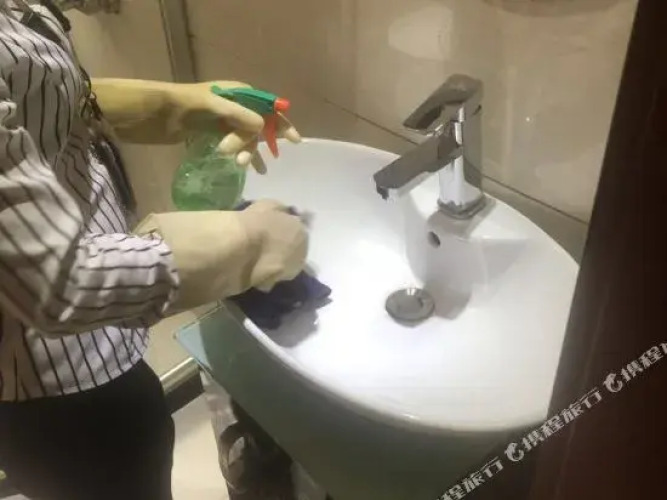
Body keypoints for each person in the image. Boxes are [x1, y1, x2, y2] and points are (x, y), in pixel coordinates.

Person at [0, 1, 308, 499]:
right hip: (61, 391)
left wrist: (175, 104)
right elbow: (53, 283)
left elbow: (32, 100)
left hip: (87, 359)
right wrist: (252, 242)